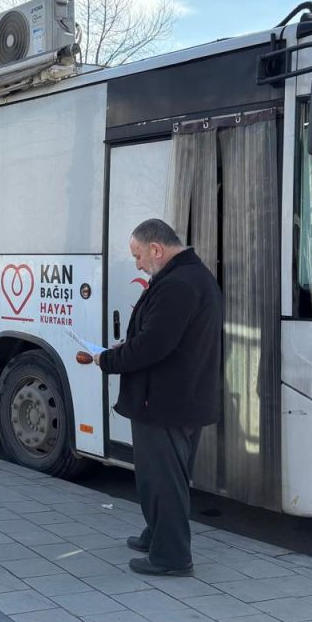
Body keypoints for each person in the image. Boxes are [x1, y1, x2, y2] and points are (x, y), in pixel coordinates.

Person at [94, 218, 222, 576]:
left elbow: (154, 345)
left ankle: (171, 556)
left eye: (137, 256)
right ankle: (157, 534)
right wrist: (127, 347)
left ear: (156, 249)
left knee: (163, 478)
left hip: (166, 400)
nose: (136, 264)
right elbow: (162, 338)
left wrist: (109, 358)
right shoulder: (190, 277)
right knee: (164, 476)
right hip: (180, 397)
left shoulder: (178, 284)